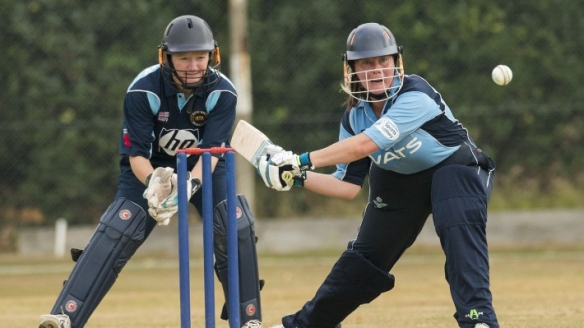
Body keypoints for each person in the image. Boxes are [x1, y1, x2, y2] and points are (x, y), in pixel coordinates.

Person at [259, 22, 498, 328]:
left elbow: (365, 145)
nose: (376, 70)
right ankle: (303, 325)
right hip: (400, 184)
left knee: (456, 223)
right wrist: (294, 176)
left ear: (395, 62)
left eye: (383, 61)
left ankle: (479, 320)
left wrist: (301, 160)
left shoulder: (415, 94)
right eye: (366, 63)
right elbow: (346, 185)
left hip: (456, 169)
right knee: (362, 263)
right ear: (352, 69)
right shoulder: (354, 116)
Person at [39, 15, 262, 328]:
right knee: (120, 226)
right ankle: (65, 316)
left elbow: (212, 154)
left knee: (233, 222)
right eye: (184, 58)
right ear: (166, 58)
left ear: (213, 55)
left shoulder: (223, 93)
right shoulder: (142, 90)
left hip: (205, 165)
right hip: (148, 167)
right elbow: (137, 155)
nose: (194, 66)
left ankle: (248, 319)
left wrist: (187, 186)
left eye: (201, 57)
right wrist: (156, 182)